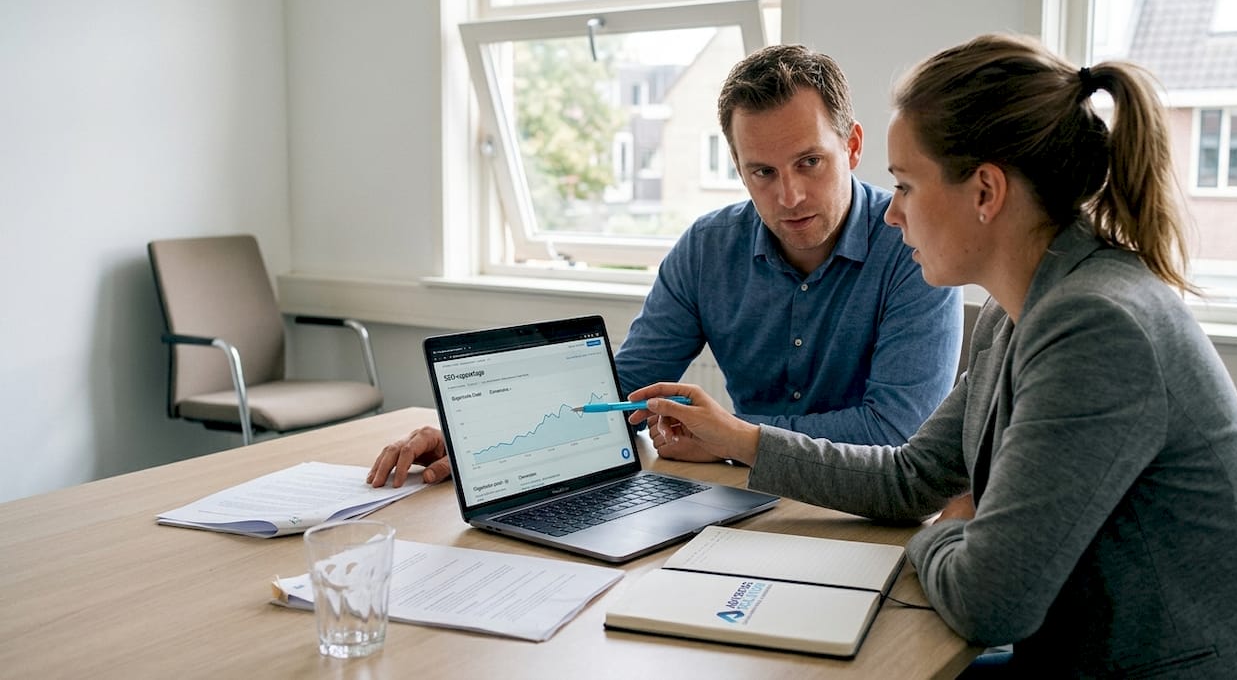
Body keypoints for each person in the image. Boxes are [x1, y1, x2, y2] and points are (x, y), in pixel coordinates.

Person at [627, 33, 1237, 676]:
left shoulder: (1095, 325)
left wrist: (944, 531)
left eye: (906, 186)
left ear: (986, 193)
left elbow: (989, 602)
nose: (891, 214)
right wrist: (950, 520)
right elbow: (911, 475)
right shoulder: (1014, 310)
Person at [368, 45, 962, 488]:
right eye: (763, 172)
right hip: (741, 500)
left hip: (869, 511)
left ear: (853, 146)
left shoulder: (914, 244)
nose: (790, 196)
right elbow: (620, 393)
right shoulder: (707, 249)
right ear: (737, 167)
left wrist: (734, 439)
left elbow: (894, 435)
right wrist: (477, 439)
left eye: (810, 162)